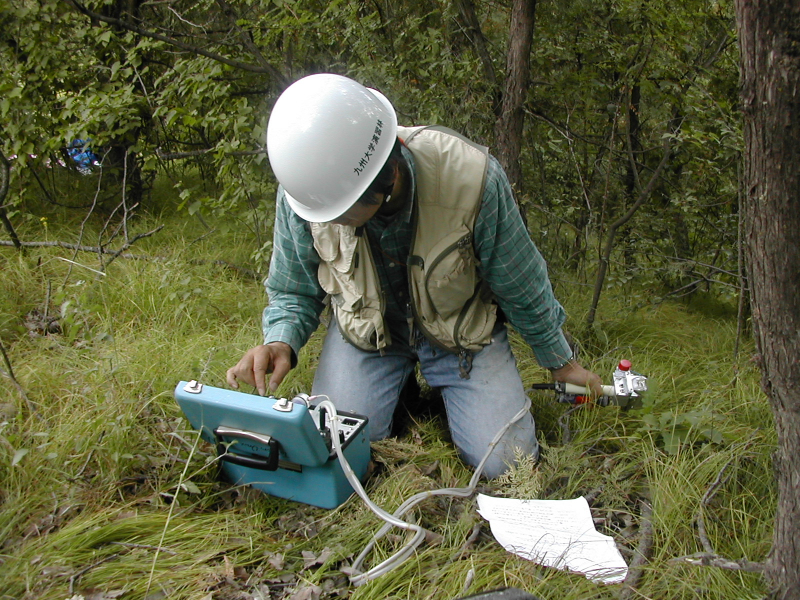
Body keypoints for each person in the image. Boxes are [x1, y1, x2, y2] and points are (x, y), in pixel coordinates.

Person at [227, 73, 602, 478]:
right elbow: (291, 288)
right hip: (368, 337)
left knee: (506, 465)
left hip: (462, 337)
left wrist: (560, 362)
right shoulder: (309, 192)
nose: (332, 220)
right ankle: (398, 386)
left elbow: (520, 282)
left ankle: (443, 390)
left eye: (342, 212)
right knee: (337, 448)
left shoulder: (472, 179)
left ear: (386, 178)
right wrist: (280, 341)